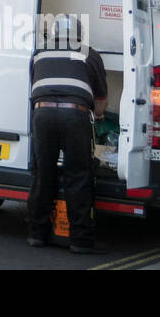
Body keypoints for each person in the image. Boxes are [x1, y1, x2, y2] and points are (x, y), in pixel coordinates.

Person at [26, 14, 109, 254]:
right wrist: (97, 113)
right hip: (75, 115)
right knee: (78, 175)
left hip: (42, 115)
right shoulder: (89, 54)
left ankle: (36, 234)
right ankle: (80, 240)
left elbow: (36, 89)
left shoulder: (39, 53)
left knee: (42, 173)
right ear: (80, 34)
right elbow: (101, 106)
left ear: (54, 34)